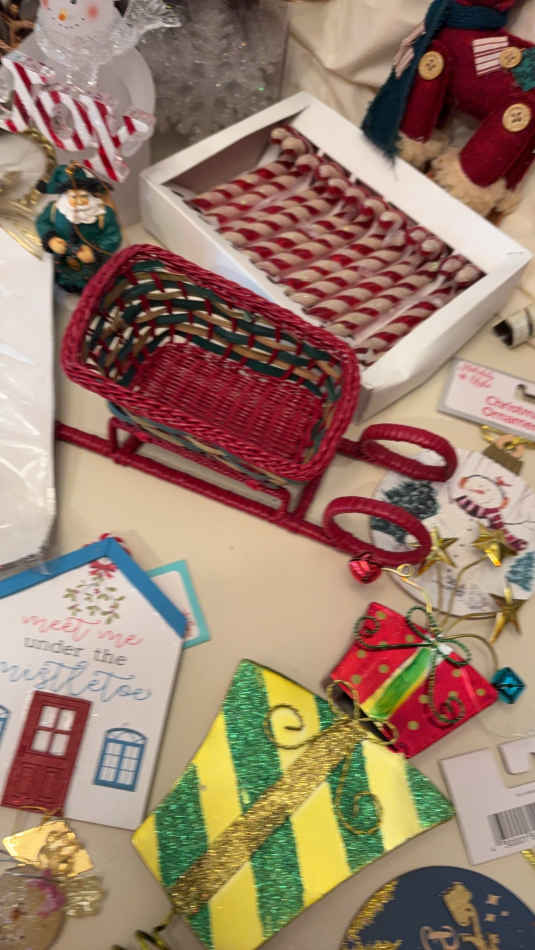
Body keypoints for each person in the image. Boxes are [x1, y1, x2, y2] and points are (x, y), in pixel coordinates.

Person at [36, 163, 121, 293]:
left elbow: (113, 236)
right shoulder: (55, 209)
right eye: (74, 197)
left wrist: (95, 251)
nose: (79, 201)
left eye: (83, 196)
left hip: (95, 270)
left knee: (98, 286)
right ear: (65, 195)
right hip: (63, 266)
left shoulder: (103, 213)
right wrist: (51, 239)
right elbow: (42, 222)